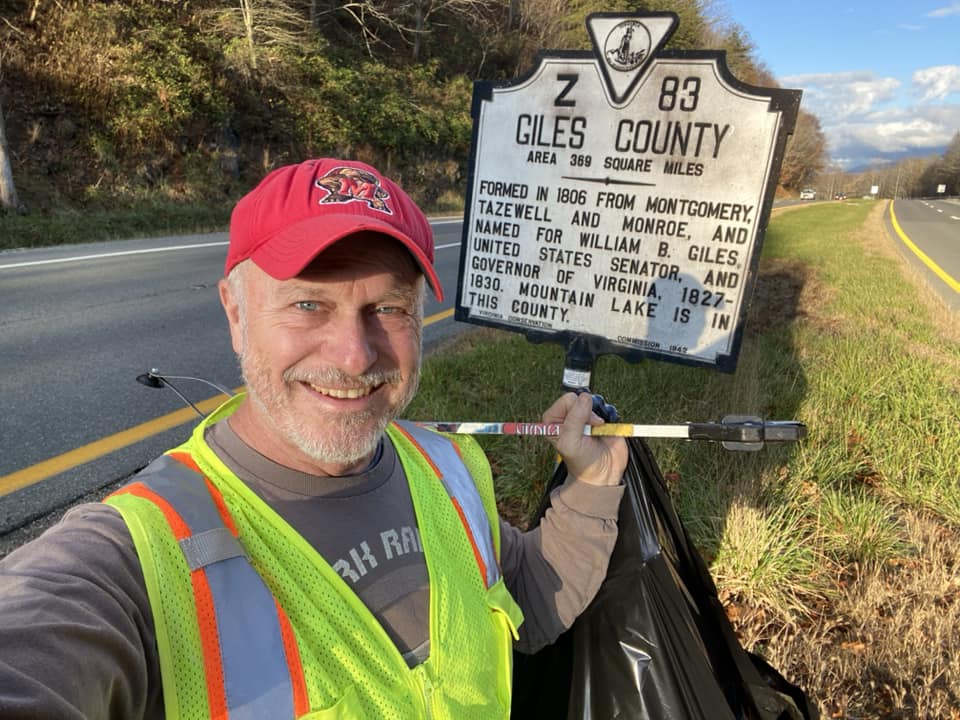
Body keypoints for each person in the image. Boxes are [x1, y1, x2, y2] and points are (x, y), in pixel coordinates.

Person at [0, 158, 627, 719]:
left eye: (388, 308)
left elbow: (531, 602)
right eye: (307, 305)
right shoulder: (135, 556)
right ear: (236, 313)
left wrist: (593, 483)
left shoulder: (449, 466)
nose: (355, 357)